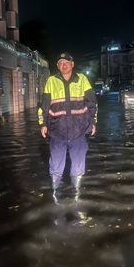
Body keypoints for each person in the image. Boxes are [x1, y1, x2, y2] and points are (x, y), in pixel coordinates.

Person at [38, 52, 97, 200]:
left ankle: (76, 193)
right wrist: (42, 124)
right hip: (57, 130)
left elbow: (92, 104)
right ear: (58, 66)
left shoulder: (82, 79)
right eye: (60, 63)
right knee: (56, 163)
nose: (63, 65)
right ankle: (55, 193)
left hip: (79, 130)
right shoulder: (51, 81)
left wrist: (93, 122)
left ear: (72, 64)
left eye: (66, 62)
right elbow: (44, 106)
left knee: (78, 162)